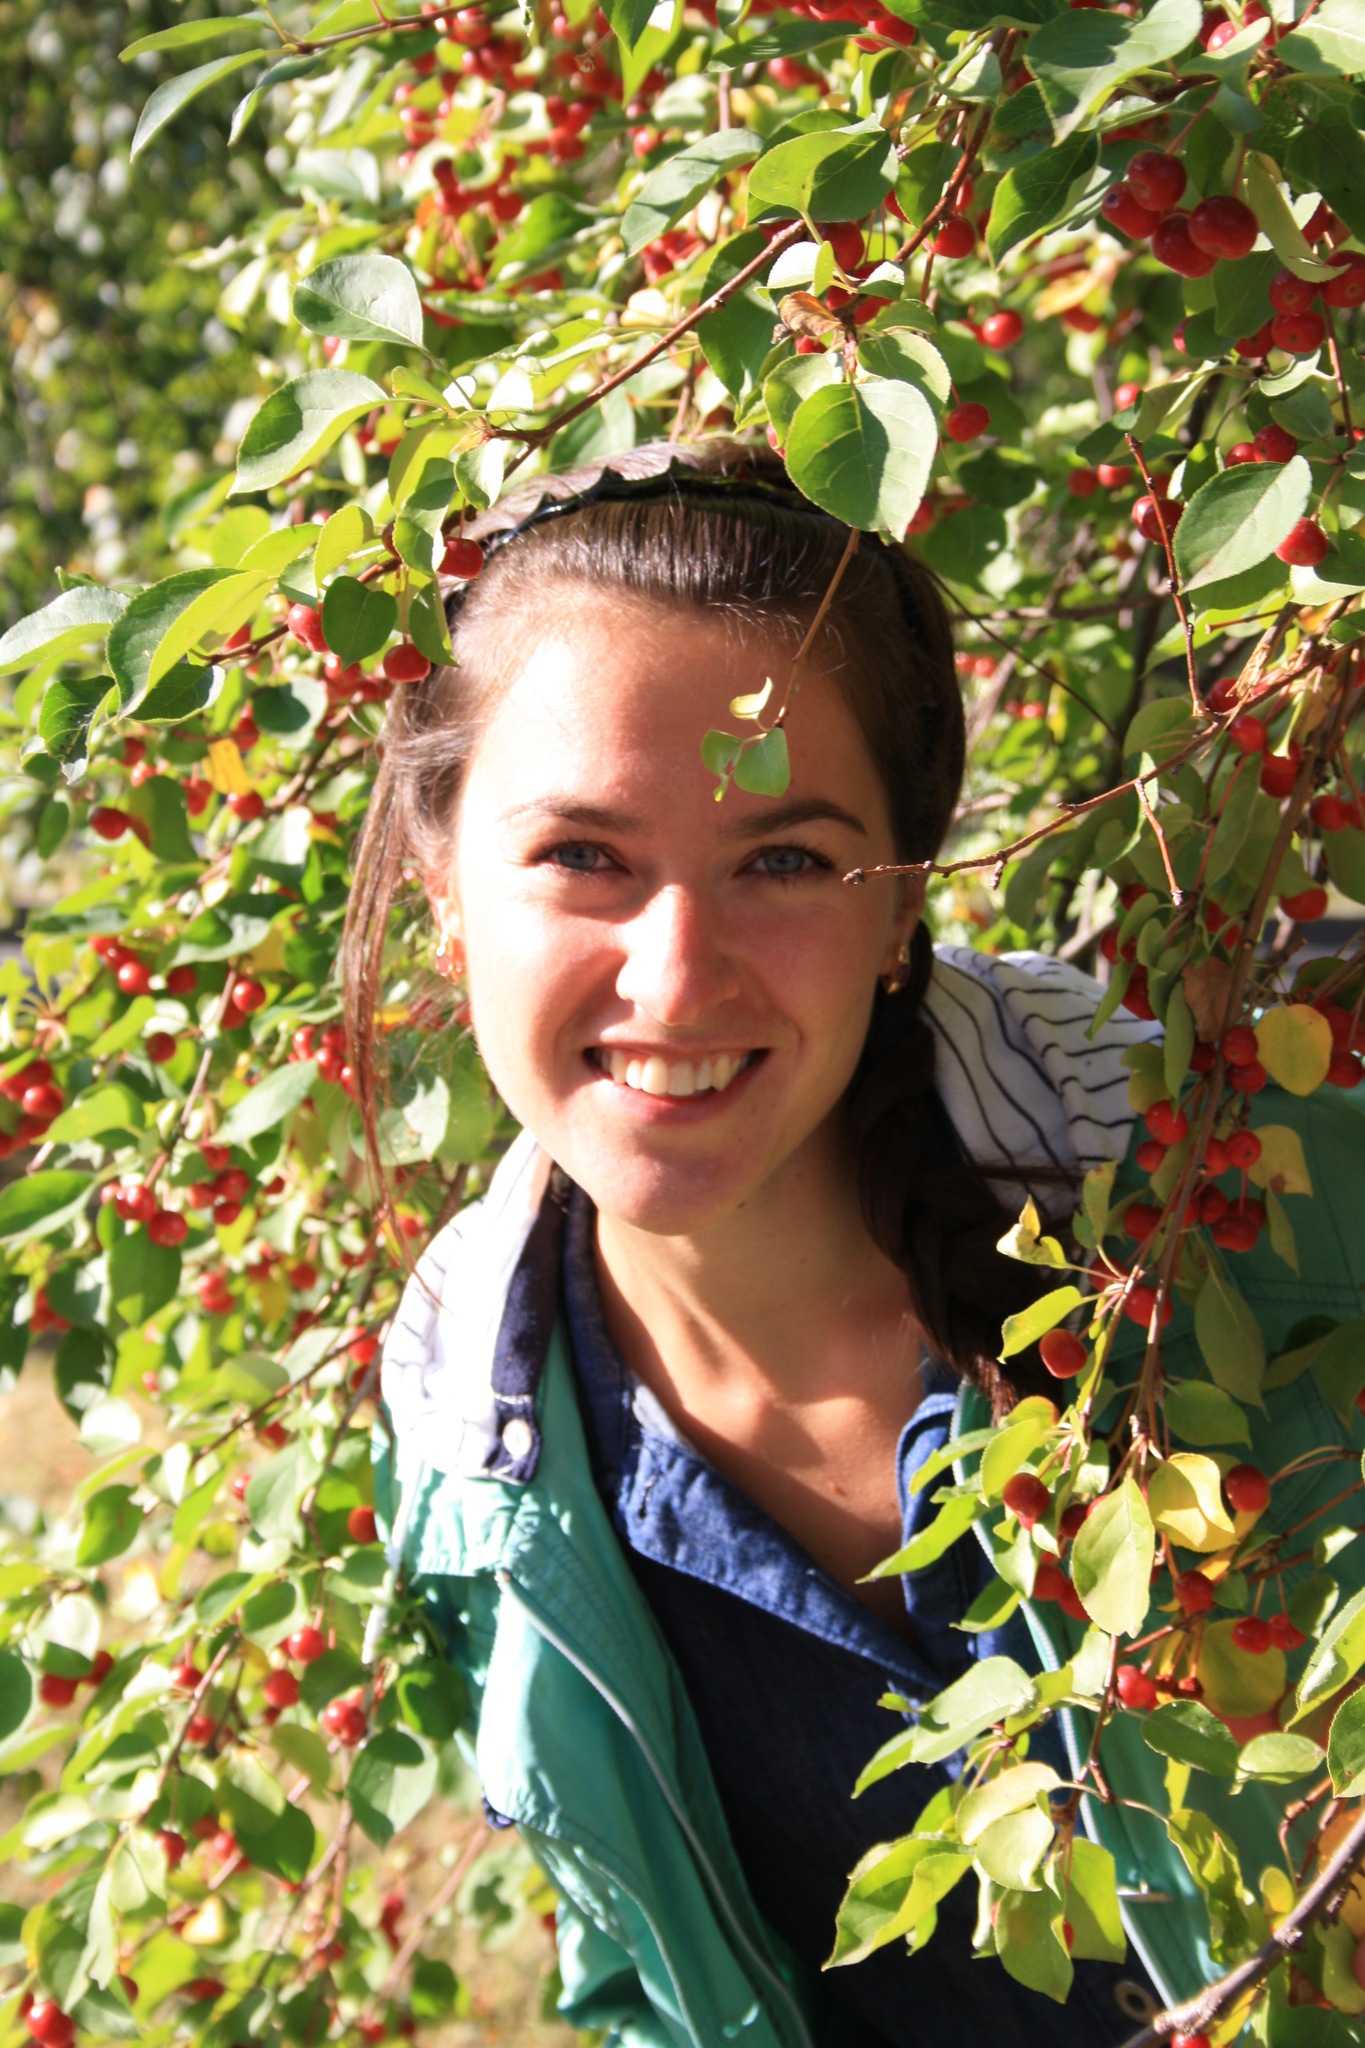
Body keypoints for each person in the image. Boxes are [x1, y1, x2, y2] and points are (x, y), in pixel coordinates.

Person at [347, 442, 1365, 2048]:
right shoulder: (478, 1445)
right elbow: (649, 1985)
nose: (676, 978)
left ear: (902, 909)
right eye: (582, 856)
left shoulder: (1257, 1211)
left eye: (784, 861)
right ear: (442, 890)